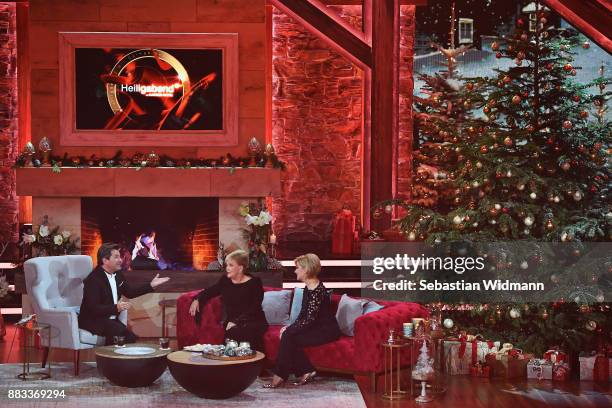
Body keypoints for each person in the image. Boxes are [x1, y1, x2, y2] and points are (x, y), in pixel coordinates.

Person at [265, 253, 341, 388]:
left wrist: (290, 330)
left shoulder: (317, 290)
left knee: (289, 336)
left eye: (298, 268)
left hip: (327, 330)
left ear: (306, 270)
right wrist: (290, 326)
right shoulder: (309, 287)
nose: (295, 271)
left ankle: (280, 375)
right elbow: (303, 315)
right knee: (290, 336)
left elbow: (310, 319)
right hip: (316, 327)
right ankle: (307, 370)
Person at [79, 242, 170, 345]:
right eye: (116, 257)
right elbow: (93, 308)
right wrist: (116, 308)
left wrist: (151, 285)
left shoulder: (118, 274)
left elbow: (130, 292)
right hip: (93, 320)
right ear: (105, 260)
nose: (121, 260)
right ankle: (110, 359)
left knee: (130, 337)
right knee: (118, 333)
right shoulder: (93, 280)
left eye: (120, 257)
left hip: (110, 320)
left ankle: (116, 359)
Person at [189, 249, 268, 351]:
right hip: (232, 322)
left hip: (253, 321)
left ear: (240, 268)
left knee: (238, 332)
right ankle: (232, 363)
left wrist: (237, 321)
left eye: (231, 265)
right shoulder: (225, 281)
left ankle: (251, 363)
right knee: (233, 331)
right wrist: (197, 299)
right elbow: (210, 291)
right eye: (227, 265)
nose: (227, 268)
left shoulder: (255, 283)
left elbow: (255, 308)